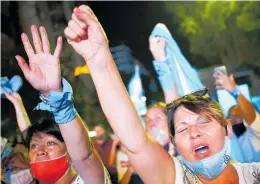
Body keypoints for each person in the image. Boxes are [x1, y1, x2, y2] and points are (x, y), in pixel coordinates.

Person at [64, 5, 260, 184]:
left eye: (203, 121)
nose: (193, 133)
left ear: (227, 130)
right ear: (175, 145)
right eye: (182, 129)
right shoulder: (174, 178)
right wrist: (99, 60)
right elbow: (135, 142)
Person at [4, 20, 111, 183]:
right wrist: (17, 102)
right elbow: (28, 134)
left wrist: (55, 96)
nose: (40, 151)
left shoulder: (87, 180)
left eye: (51, 144)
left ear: (70, 152)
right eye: (33, 147)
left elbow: (85, 157)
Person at [214, 71, 260, 163]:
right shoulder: (225, 142)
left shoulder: (254, 136)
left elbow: (252, 117)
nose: (236, 114)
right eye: (233, 111)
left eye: (239, 110)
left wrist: (234, 91)